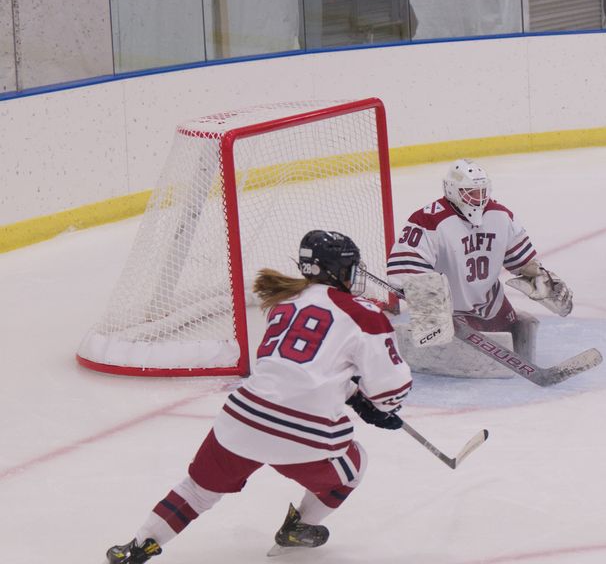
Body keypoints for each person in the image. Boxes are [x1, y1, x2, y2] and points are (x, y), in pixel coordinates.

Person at [105, 231, 412, 563]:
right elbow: (390, 389)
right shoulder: (364, 313)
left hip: (242, 419)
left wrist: (351, 393)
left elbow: (288, 372)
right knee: (354, 466)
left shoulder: (284, 304)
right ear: (339, 270)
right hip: (304, 435)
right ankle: (300, 527)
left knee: (197, 490)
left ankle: (137, 546)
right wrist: (379, 408)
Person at [386, 159, 573, 374]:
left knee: (520, 331)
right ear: (452, 190)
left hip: (492, 306)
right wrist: (432, 313)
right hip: (452, 312)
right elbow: (403, 271)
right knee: (473, 359)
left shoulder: (501, 215)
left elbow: (524, 263)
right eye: (471, 192)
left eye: (482, 191)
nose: (478, 198)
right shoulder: (428, 220)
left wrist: (542, 280)